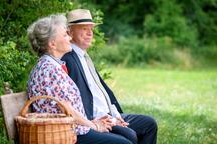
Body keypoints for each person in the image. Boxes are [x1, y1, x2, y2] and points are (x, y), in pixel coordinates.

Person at [26, 14, 132, 144]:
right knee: (124, 143)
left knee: (126, 138)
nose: (70, 38)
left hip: (72, 129)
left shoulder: (52, 65)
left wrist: (93, 122)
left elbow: (70, 108)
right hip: (66, 134)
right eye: (65, 35)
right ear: (52, 44)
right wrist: (94, 125)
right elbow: (68, 109)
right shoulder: (49, 70)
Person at [62, 9, 158, 144]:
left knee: (149, 124)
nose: (90, 33)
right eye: (84, 29)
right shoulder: (69, 59)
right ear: (70, 32)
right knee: (129, 135)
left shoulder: (84, 57)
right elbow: (83, 102)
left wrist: (116, 115)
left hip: (109, 114)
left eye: (91, 29)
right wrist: (111, 120)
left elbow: (100, 92)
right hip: (95, 119)